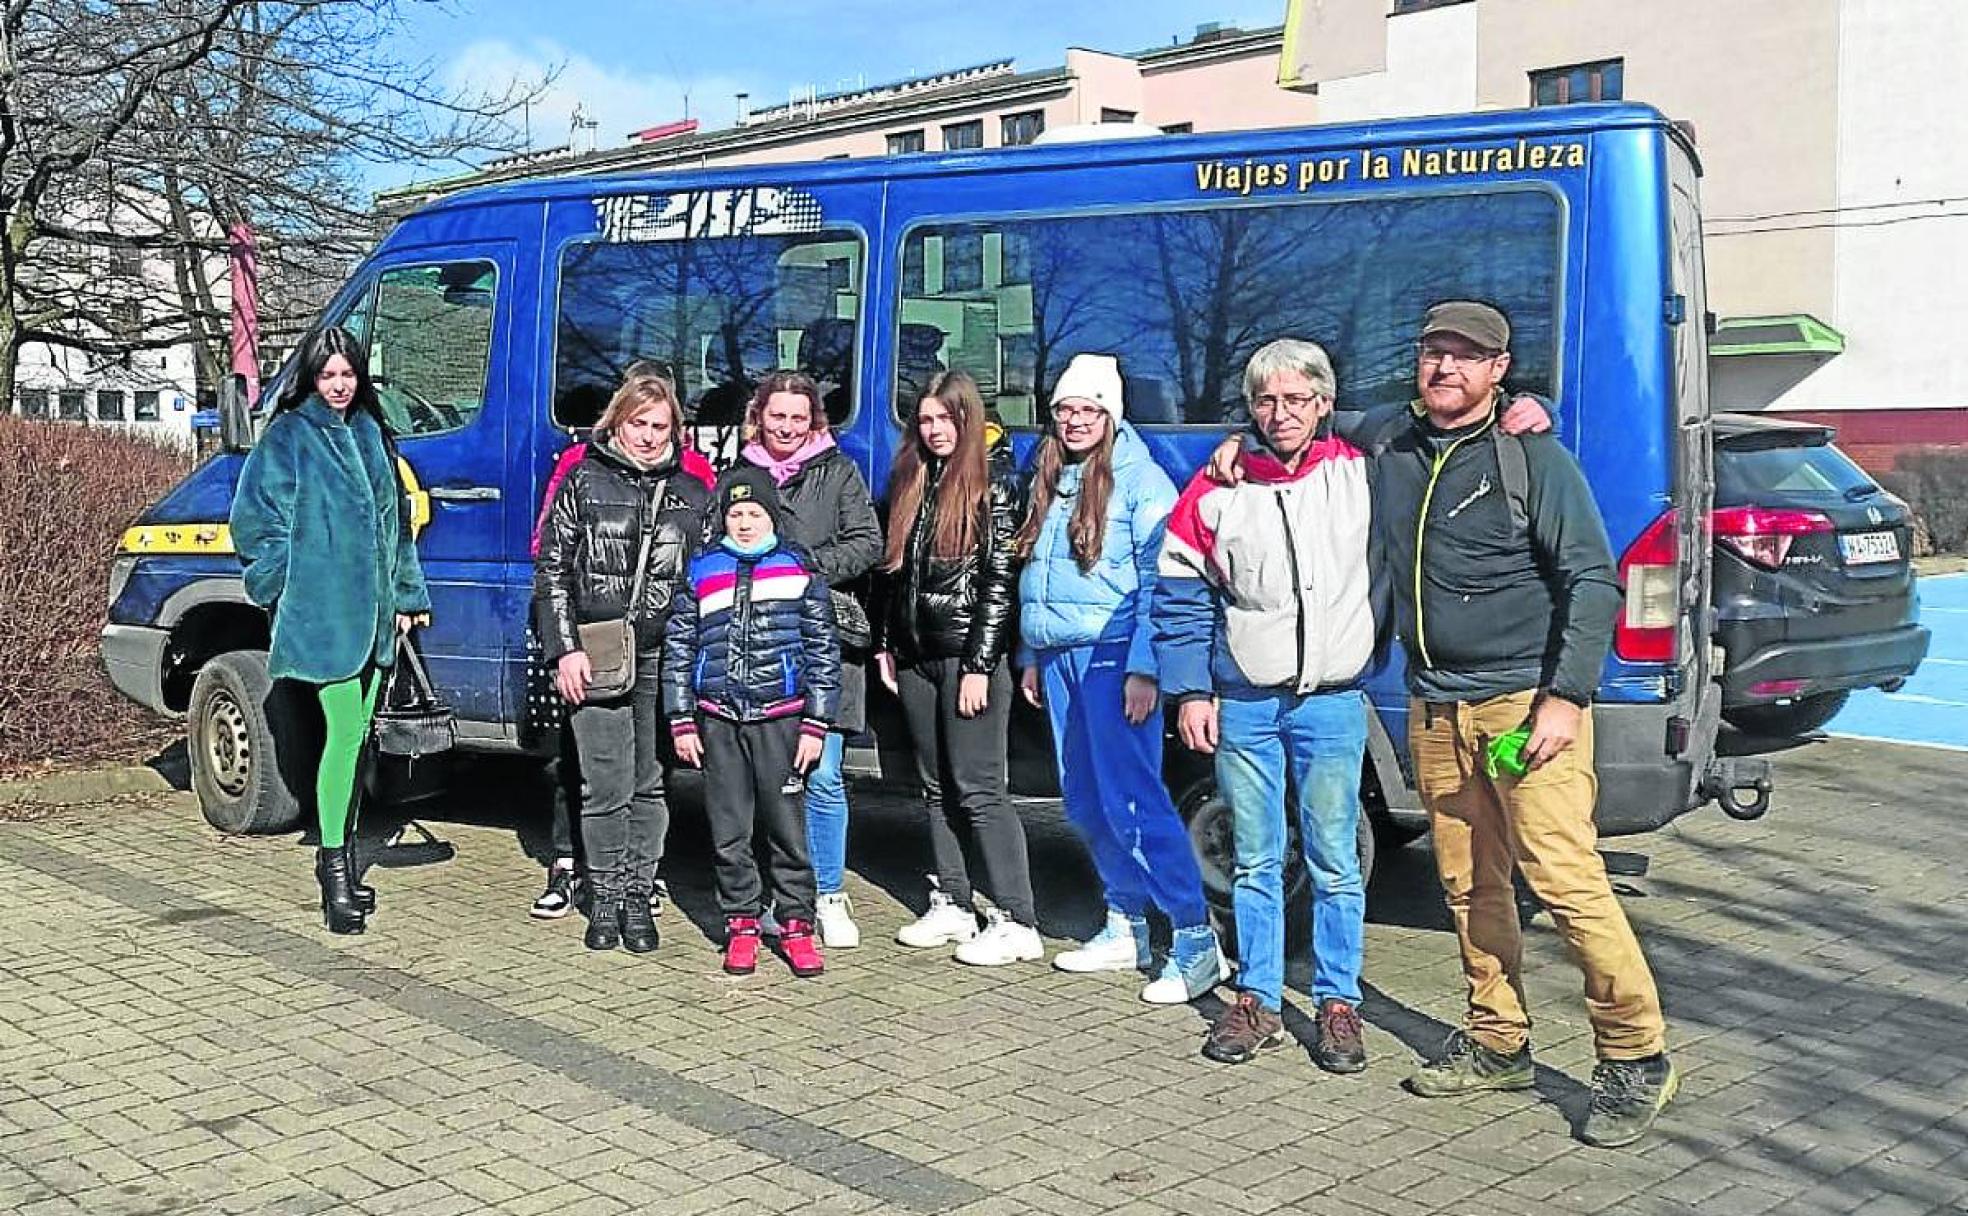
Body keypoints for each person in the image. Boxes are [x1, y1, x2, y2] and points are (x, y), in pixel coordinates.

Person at [1379, 301, 1675, 1148]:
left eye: (1468, 357)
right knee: (1469, 885)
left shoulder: (1531, 457)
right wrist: (1235, 451)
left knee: (1566, 881)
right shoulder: (1392, 451)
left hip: (1523, 706)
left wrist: (1567, 697)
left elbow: (1592, 580)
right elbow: (1299, 421)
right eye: (1435, 353)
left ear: (1500, 370)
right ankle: (1498, 1039)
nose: (1447, 370)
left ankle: (1635, 1054)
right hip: (1435, 705)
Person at [1154, 338, 1380, 1071]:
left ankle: (1339, 1002)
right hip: (1245, 702)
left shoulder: (1361, 473)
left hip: (1334, 702)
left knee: (1334, 858)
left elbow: (1428, 420)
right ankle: (1257, 999)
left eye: (1295, 399)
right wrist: (1190, 688)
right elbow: (1181, 592)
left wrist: (1520, 409)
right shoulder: (1216, 489)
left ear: (1323, 403)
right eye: (1265, 400)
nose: (1279, 414)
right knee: (1255, 860)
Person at [1014, 353, 1224, 1004]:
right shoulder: (1051, 471)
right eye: (1065, 410)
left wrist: (1144, 668)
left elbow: (1161, 581)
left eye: (1088, 410)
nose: (1075, 421)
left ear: (1111, 413)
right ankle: (1125, 922)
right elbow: (1041, 570)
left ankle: (1194, 939)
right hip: (1060, 660)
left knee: (1134, 801)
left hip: (1112, 658)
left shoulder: (1141, 480)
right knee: (1083, 801)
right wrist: (1029, 651)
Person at [230, 326, 430, 935]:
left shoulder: (370, 431)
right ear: (311, 378)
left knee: (360, 734)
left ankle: (341, 862)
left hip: (373, 615)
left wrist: (405, 596)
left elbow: (395, 527)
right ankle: (334, 872)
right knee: (343, 735)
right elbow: (251, 521)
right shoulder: (290, 436)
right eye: (329, 375)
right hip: (322, 614)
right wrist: (283, 580)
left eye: (348, 374)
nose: (340, 386)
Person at [527, 363, 715, 922]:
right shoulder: (584, 479)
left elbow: (701, 580)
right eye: (640, 423)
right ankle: (604, 895)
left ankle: (639, 893)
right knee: (604, 784)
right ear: (619, 422)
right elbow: (553, 570)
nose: (650, 435)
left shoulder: (692, 491)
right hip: (599, 650)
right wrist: (565, 648)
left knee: (650, 784)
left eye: (660, 425)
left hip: (664, 654)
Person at [875, 369, 1039, 966]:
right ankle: (953, 899)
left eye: (946, 419)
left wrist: (979, 663)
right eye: (925, 420)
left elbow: (1000, 585)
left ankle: (1018, 917)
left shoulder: (994, 484)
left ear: (969, 419)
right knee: (935, 785)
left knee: (981, 790)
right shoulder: (915, 477)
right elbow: (898, 574)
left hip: (966, 659)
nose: (935, 430)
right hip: (917, 657)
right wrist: (890, 644)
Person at [725, 371, 882, 948]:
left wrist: (800, 568)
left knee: (824, 775)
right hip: (760, 644)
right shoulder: (740, 476)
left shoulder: (837, 471)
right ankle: (781, 896)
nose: (787, 427)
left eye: (798, 417)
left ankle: (830, 893)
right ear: (759, 417)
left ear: (813, 421)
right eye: (777, 416)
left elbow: (869, 542)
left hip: (824, 638)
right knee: (771, 776)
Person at [664, 467, 841, 977]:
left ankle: (797, 924)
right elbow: (679, 648)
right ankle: (741, 922)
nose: (744, 523)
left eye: (754, 514)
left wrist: (816, 724)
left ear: (772, 517)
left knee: (787, 831)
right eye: (736, 514)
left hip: (782, 722)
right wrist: (681, 719)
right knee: (728, 831)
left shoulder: (797, 568)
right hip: (718, 720)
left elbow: (823, 652)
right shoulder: (702, 570)